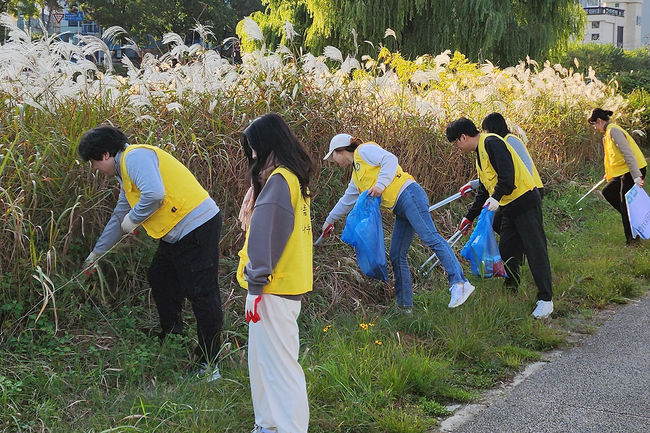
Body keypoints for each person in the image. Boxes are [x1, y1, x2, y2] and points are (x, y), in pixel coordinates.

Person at [78, 125, 223, 380]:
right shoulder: (126, 174)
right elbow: (119, 216)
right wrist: (96, 255)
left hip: (197, 225)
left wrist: (133, 220)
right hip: (175, 232)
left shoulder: (135, 156)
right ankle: (172, 337)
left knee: (202, 293)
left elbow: (155, 195)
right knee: (160, 278)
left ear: (104, 155)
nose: (94, 169)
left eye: (93, 162)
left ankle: (209, 364)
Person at [321, 134, 475, 314]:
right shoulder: (357, 174)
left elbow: (390, 159)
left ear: (340, 150)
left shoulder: (363, 151)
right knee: (396, 254)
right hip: (400, 208)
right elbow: (346, 200)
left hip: (409, 194)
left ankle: (459, 282)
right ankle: (404, 306)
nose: (334, 161)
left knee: (430, 237)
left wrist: (380, 185)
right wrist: (328, 221)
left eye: (333, 155)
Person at [236, 113, 313, 433]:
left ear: (267, 144)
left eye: (254, 148)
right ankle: (268, 425)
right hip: (279, 286)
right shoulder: (291, 179)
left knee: (280, 368)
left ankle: (287, 427)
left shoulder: (279, 181)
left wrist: (255, 288)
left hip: (272, 289)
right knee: (265, 364)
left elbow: (268, 236)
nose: (252, 155)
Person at [446, 118, 553, 319]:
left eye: (456, 143)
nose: (457, 147)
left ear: (463, 137)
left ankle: (546, 300)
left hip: (524, 201)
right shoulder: (479, 154)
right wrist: (469, 218)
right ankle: (511, 287)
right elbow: (484, 191)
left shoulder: (492, 142)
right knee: (506, 250)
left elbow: (508, 175)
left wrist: (495, 198)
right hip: (508, 207)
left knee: (535, 250)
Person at [588, 108, 647, 245]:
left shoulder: (613, 131)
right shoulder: (608, 133)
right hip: (623, 171)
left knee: (624, 203)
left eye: (594, 125)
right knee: (607, 192)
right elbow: (613, 157)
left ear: (599, 121)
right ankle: (634, 220)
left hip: (633, 170)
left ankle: (632, 241)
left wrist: (637, 176)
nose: (595, 128)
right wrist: (609, 173)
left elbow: (628, 154)